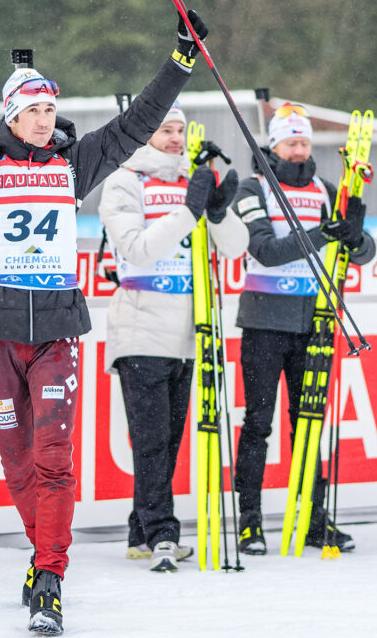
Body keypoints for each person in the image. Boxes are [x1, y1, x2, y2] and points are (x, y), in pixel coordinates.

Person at [0, 9, 207, 635]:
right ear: (11, 117)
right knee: (17, 462)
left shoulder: (76, 164)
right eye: (32, 110)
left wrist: (180, 60)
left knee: (54, 458)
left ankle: (51, 574)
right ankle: (44, 559)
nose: (44, 119)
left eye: (49, 109)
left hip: (57, 334)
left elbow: (136, 123)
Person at [98, 103, 247, 572]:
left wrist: (218, 212)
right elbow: (137, 249)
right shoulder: (124, 180)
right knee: (151, 440)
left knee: (170, 440)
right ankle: (163, 532)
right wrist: (189, 210)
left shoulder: (193, 181)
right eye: (166, 130)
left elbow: (237, 248)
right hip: (141, 328)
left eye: (181, 130)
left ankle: (140, 530)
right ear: (146, 134)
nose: (176, 138)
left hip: (188, 331)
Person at [231, 103, 374, 556]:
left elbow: (363, 251)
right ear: (274, 146)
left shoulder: (327, 188)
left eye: (305, 142)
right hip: (263, 321)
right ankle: (250, 521)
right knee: (258, 422)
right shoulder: (252, 188)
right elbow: (266, 251)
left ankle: (314, 517)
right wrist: (324, 234)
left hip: (315, 322)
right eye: (291, 142)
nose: (299, 150)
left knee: (309, 423)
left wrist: (353, 235)